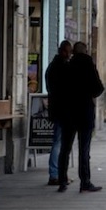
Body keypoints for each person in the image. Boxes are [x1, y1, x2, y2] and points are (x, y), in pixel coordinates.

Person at [57, 42, 104, 193]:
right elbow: (98, 88)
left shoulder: (67, 66)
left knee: (65, 148)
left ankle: (62, 181)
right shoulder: (89, 65)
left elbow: (60, 89)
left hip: (69, 113)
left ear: (74, 52)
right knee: (84, 149)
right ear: (85, 51)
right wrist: (88, 94)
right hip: (85, 112)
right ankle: (85, 181)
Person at [45, 40, 72, 186]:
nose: (68, 54)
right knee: (59, 142)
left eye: (69, 52)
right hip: (62, 110)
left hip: (58, 109)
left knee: (60, 142)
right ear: (61, 51)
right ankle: (55, 174)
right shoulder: (59, 67)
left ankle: (59, 174)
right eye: (66, 51)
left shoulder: (54, 67)